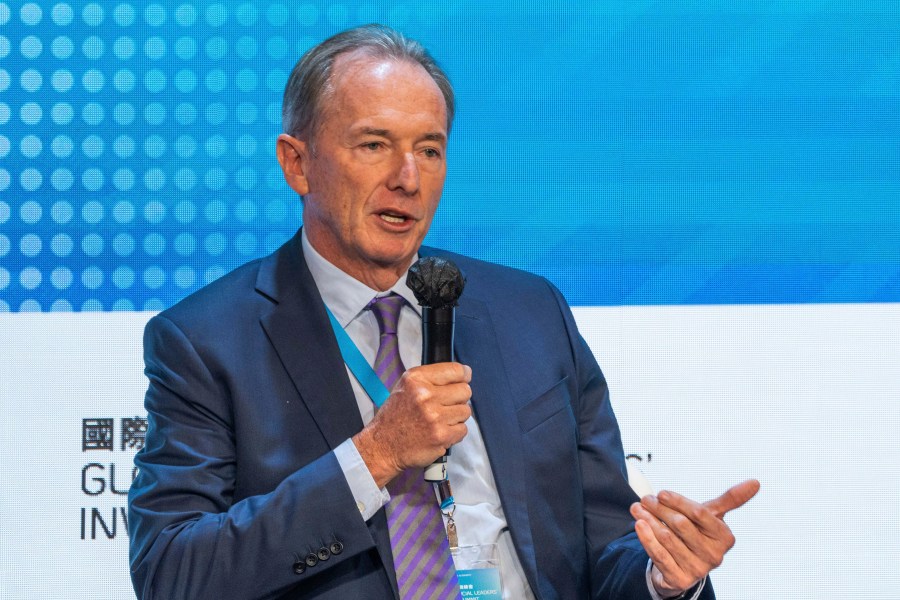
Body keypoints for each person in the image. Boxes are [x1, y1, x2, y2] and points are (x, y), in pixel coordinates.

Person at [128, 24, 758, 600]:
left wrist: (661, 576)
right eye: (374, 145)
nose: (409, 178)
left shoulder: (530, 313)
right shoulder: (208, 340)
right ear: (298, 163)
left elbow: (603, 547)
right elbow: (171, 572)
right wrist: (375, 455)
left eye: (429, 150)